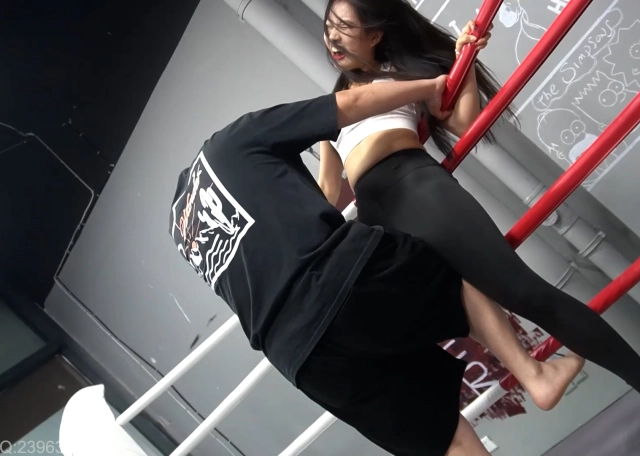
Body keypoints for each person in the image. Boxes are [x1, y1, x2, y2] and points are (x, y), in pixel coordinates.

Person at [315, 1, 640, 454]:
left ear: (375, 33)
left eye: (344, 26)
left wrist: (463, 61)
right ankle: (536, 375)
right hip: (377, 222)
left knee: (528, 295)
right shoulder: (332, 104)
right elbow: (327, 192)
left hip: (416, 189)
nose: (332, 37)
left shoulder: (404, 73)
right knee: (436, 313)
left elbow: (462, 121)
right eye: (328, 26)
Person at [169, 76, 600, 455]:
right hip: (339, 280)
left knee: (444, 439)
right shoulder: (231, 141)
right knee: (450, 268)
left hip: (300, 358)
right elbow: (351, 104)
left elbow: (317, 201)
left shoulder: (181, 232)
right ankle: (534, 375)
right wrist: (431, 87)